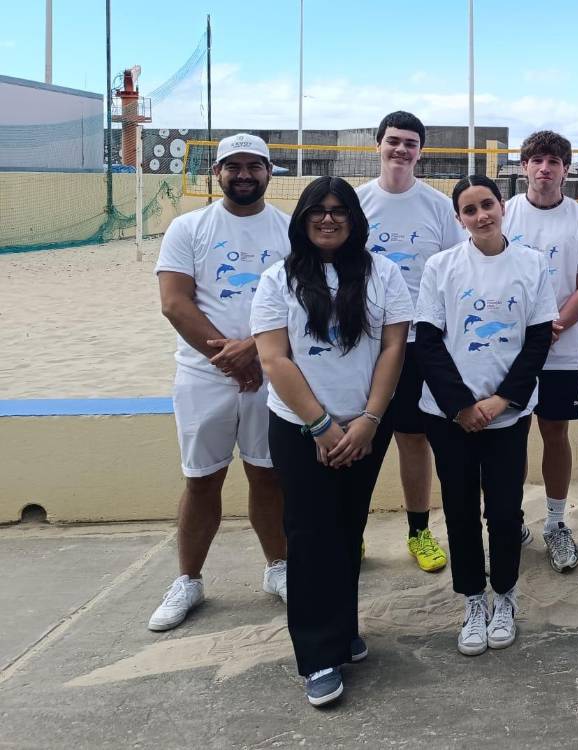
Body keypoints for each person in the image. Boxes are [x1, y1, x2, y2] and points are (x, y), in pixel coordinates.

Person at [251, 177, 412, 707]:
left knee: (348, 528)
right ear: (301, 218)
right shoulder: (279, 279)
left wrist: (368, 419)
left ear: (354, 219)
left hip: (365, 425)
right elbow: (275, 358)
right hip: (301, 428)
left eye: (339, 211)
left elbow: (393, 348)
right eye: (317, 211)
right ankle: (317, 655)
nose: (327, 219)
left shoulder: (382, 273)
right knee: (310, 532)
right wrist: (321, 426)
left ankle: (342, 630)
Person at [150, 133, 289, 632]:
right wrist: (231, 359)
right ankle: (188, 579)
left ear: (271, 173)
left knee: (268, 476)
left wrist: (255, 350)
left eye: (255, 165)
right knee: (202, 479)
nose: (245, 174)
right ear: (217, 172)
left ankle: (279, 569)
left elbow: (301, 301)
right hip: (202, 376)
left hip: (270, 373)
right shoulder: (188, 228)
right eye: (234, 166)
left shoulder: (291, 230)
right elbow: (175, 302)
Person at [413, 175, 557, 657]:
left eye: (488, 205)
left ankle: (506, 596)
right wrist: (461, 406)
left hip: (507, 415)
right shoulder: (441, 266)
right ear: (459, 219)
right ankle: (474, 601)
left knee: (502, 509)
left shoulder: (532, 265)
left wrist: (503, 401)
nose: (481, 216)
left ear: (503, 207)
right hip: (449, 416)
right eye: (470, 210)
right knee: (459, 510)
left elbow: (538, 340)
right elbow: (428, 342)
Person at [355, 111, 466, 573]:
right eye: (393, 141)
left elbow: (455, 272)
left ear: (421, 151)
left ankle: (419, 532)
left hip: (420, 341)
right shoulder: (358, 202)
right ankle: (352, 533)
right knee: (360, 439)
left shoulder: (438, 207)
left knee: (413, 439)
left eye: (410, 143)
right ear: (378, 145)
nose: (401, 150)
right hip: (365, 342)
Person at [503, 130, 578, 573]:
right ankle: (509, 521)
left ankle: (556, 523)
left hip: (559, 349)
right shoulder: (504, 214)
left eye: (553, 161)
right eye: (536, 160)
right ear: (524, 166)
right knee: (508, 437)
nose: (544, 168)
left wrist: (554, 326)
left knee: (555, 434)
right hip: (507, 350)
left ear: (566, 168)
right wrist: (523, 332)